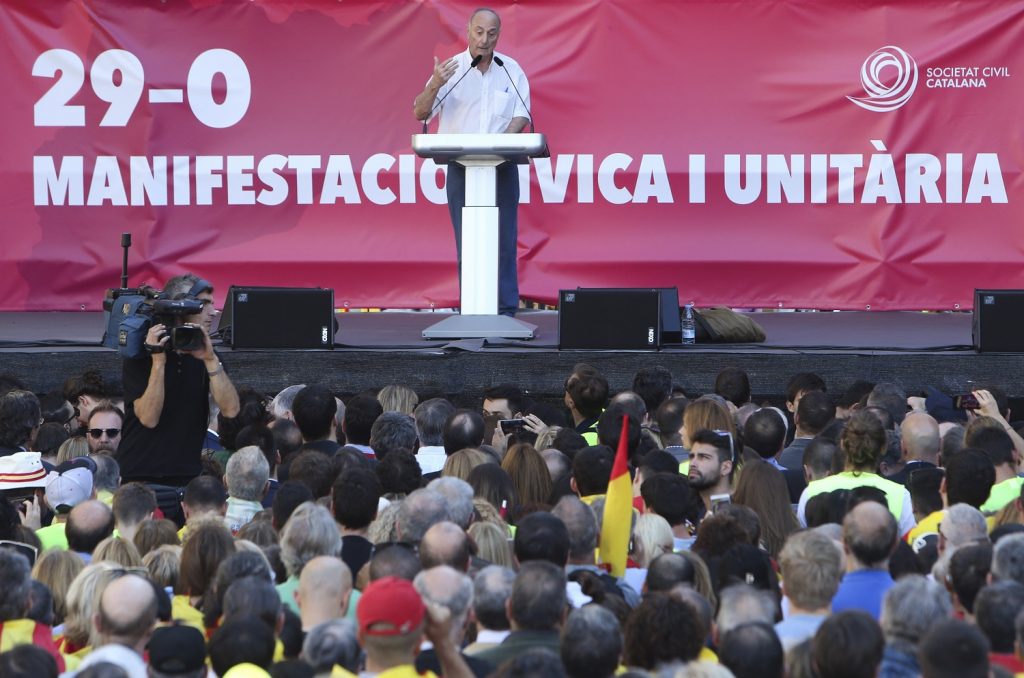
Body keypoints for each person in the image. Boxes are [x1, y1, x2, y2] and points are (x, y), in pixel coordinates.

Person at [413, 8, 532, 317]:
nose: (484, 39)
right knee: (469, 240)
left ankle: (505, 311)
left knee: (504, 240)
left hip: (502, 167)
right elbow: (421, 113)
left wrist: (500, 144)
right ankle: (473, 311)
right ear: (468, 31)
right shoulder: (451, 70)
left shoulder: (511, 69)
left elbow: (521, 113)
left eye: (491, 33)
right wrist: (434, 85)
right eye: (479, 32)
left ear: (498, 34)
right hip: (461, 167)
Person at [117, 274, 240, 492]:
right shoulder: (142, 354)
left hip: (188, 474)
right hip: (140, 475)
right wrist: (158, 361)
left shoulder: (206, 353)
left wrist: (211, 360)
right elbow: (149, 418)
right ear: (181, 307)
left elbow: (230, 410)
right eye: (204, 305)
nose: (213, 312)